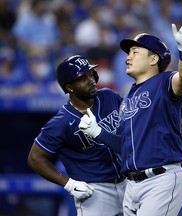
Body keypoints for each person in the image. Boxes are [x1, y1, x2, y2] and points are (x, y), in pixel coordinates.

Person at [79, 13, 182, 216]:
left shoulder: (164, 80)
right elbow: (124, 146)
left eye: (135, 52)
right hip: (132, 185)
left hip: (160, 180)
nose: (128, 57)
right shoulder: (128, 96)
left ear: (154, 59)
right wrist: (97, 132)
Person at [27, 55, 126, 216]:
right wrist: (68, 184)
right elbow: (35, 158)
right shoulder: (61, 122)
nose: (91, 80)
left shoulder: (109, 96)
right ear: (70, 87)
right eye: (82, 78)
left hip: (128, 182)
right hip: (96, 192)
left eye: (91, 74)